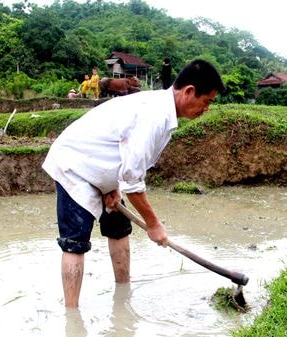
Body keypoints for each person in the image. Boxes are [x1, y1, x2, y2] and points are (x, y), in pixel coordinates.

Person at [42, 59, 225, 307]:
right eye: (207, 101)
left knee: (118, 227)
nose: (207, 109)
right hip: (76, 165)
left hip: (102, 167)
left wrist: (113, 187)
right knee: (75, 242)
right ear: (189, 91)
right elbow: (133, 179)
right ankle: (71, 314)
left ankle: (123, 295)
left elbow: (125, 158)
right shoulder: (155, 115)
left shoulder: (164, 112)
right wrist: (153, 224)